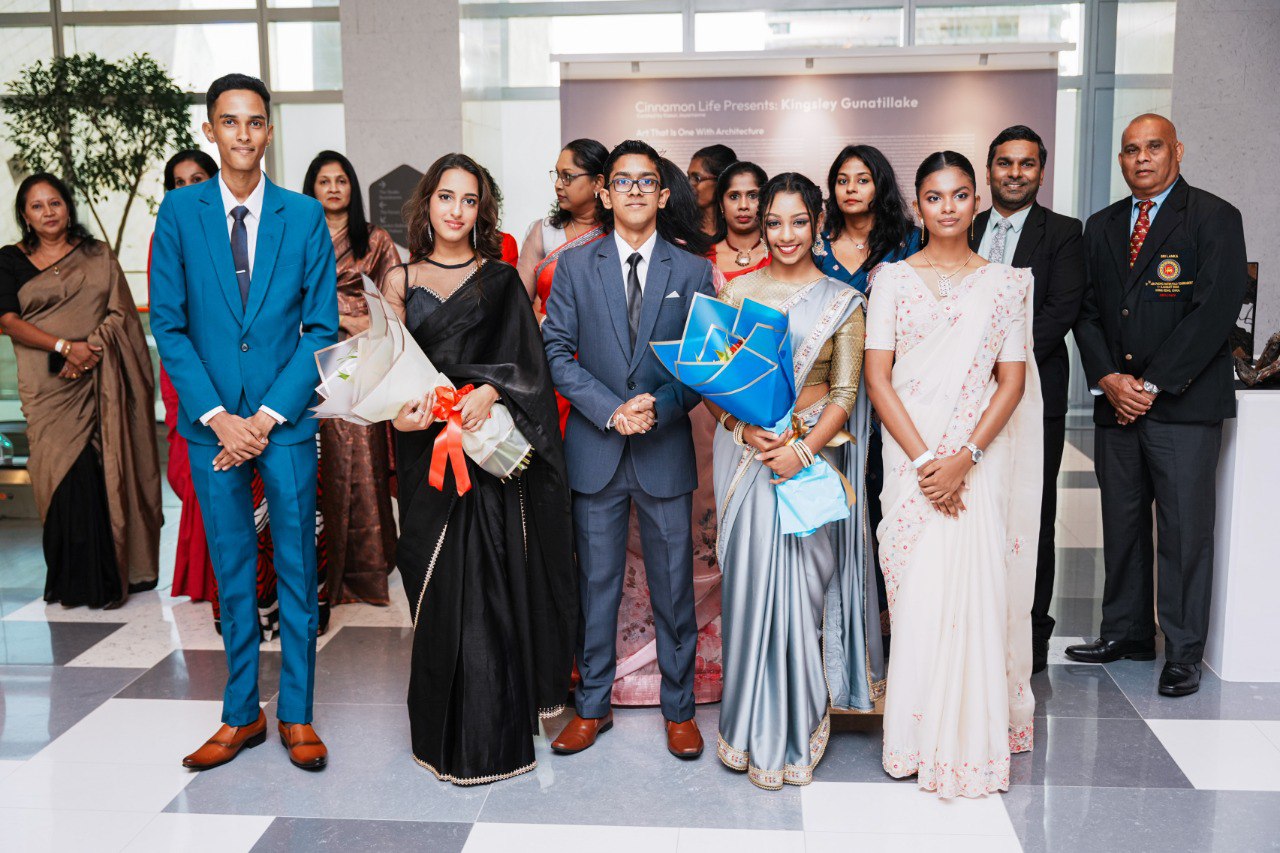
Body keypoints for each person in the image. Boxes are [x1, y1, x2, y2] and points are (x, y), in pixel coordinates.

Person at [151, 73, 339, 771]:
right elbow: (169, 326)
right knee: (232, 573)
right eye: (229, 122)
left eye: (255, 122)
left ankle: (296, 713)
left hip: (282, 421)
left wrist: (261, 416)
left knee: (295, 568)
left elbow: (320, 328)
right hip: (212, 425)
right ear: (210, 131)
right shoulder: (178, 214)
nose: (242, 134)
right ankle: (240, 715)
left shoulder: (302, 215)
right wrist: (219, 417)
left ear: (269, 131)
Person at [380, 153, 576, 785]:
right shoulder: (399, 280)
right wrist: (402, 417)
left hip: (486, 460)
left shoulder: (499, 282)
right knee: (435, 595)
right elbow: (385, 374)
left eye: (469, 200)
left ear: (481, 210)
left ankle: (494, 740)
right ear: (427, 204)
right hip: (424, 458)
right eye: (446, 197)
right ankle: (437, 737)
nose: (456, 210)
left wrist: (491, 393)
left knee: (489, 593)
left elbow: (530, 369)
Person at [865, 151, 1041, 798]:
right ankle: (914, 738)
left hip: (976, 463)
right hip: (910, 465)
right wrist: (924, 463)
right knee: (916, 593)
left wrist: (964, 456)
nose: (947, 207)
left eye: (960, 195)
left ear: (977, 202)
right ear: (918, 204)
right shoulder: (892, 280)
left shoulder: (1006, 283)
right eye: (934, 196)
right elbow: (878, 378)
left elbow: (1012, 379)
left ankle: (968, 742)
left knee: (974, 594)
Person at [706, 172, 880, 789]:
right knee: (751, 593)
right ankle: (749, 729)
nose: (784, 234)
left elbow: (846, 389)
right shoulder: (733, 294)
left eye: (798, 222)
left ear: (817, 223)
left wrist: (802, 449)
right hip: (751, 460)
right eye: (774, 221)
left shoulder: (844, 300)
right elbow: (711, 381)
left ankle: (800, 726)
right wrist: (743, 430)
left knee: (807, 592)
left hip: (812, 459)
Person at [544, 139, 716, 758]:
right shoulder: (574, 266)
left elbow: (705, 363)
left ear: (664, 194)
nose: (636, 191)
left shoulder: (693, 269)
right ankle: (592, 706)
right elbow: (556, 353)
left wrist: (657, 408)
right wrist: (610, 410)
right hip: (595, 450)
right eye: (623, 181)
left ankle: (680, 709)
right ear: (606, 192)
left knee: (673, 588)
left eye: (648, 181)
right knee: (597, 586)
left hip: (664, 450)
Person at [1066, 115, 1248, 698]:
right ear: (1120, 160)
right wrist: (1110, 379)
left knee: (1183, 530)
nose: (1141, 158)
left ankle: (1184, 649)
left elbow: (1215, 312)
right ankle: (1126, 631)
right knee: (1120, 524)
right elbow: (1087, 311)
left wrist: (1151, 385)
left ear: (1177, 151)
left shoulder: (1214, 217)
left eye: (1153, 147)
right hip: (1116, 402)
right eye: (1130, 150)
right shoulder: (1103, 225)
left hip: (1182, 405)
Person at [0, 173, 160, 610]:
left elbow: (121, 312)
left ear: (68, 207)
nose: (48, 212)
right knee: (58, 479)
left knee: (101, 473)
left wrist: (91, 347)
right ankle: (71, 583)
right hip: (47, 387)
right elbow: (7, 321)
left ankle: (109, 580)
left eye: (55, 203)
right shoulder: (9, 260)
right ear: (25, 216)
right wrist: (63, 347)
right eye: (37, 206)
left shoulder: (96, 254)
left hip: (101, 379)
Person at [970, 125, 1086, 673]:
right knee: (973, 509)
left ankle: (1032, 637)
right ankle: (975, 625)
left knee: (1031, 512)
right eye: (1004, 163)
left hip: (1036, 393)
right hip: (963, 398)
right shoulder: (963, 228)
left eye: (1026, 164)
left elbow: (1060, 312)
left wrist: (994, 362)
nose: (1015, 173)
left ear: (1041, 171)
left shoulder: (1064, 233)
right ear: (988, 168)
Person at [303, 150, 399, 607]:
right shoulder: (297, 233)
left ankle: (366, 565)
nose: (334, 188)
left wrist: (344, 318)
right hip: (306, 355)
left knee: (362, 456)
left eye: (342, 179)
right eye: (324, 181)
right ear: (312, 188)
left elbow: (394, 307)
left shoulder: (375, 239)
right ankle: (319, 567)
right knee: (315, 459)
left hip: (359, 359)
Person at [516, 139, 609, 434]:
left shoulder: (620, 235)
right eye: (556, 175)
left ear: (598, 182)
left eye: (567, 176)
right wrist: (545, 324)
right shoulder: (544, 232)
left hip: (605, 363)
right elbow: (518, 303)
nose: (558, 184)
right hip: (551, 357)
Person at [818, 144, 920, 293]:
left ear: (881, 186)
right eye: (842, 181)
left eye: (863, 180)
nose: (850, 188)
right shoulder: (818, 246)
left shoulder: (910, 241)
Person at [707, 161, 770, 281]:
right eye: (734, 196)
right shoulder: (703, 260)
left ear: (765, 201)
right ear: (721, 205)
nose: (743, 205)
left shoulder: (781, 254)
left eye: (752, 195)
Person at [687, 144, 737, 237]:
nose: (689, 184)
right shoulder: (683, 229)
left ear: (720, 180)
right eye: (689, 177)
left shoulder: (739, 229)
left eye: (696, 178)